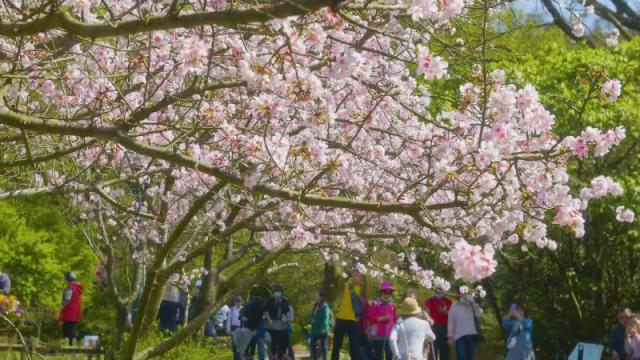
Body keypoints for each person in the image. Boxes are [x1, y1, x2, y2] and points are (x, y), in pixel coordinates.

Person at [331, 272, 367, 360]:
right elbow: (341, 282)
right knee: (336, 344)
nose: (356, 277)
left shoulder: (361, 290)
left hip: (354, 321)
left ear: (361, 279)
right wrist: (346, 273)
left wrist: (364, 276)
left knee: (354, 346)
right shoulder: (347, 287)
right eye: (355, 276)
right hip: (341, 319)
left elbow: (365, 285)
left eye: (358, 276)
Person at [447, 293, 482, 360]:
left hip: (471, 335)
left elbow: (479, 315)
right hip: (459, 336)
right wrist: (450, 336)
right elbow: (451, 322)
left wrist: (473, 303)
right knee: (461, 356)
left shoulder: (472, 306)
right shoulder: (454, 306)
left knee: (470, 357)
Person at [368, 280, 397, 360]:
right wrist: (383, 318)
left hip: (390, 336)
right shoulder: (375, 303)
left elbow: (394, 319)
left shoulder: (392, 305)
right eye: (385, 292)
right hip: (378, 336)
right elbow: (370, 318)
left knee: (389, 357)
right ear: (382, 292)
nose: (387, 294)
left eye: (389, 292)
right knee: (378, 357)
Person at [425, 285, 452, 360]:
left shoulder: (448, 301)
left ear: (443, 291)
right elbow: (427, 312)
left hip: (445, 328)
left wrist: (445, 312)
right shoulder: (430, 300)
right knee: (433, 351)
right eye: (437, 290)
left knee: (445, 352)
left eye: (440, 290)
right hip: (433, 328)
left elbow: (452, 316)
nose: (439, 292)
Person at [265, 284, 291, 359]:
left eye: (278, 293)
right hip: (271, 323)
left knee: (285, 334)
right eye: (275, 293)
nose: (277, 295)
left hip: (280, 323)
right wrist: (269, 320)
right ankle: (274, 355)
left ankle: (283, 354)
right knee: (273, 341)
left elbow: (286, 312)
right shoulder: (270, 300)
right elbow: (266, 311)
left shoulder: (285, 301)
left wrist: (285, 318)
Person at [59, 272, 83, 345]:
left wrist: (59, 310)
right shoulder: (77, 288)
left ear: (67, 279)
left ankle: (69, 349)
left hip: (69, 314)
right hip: (75, 314)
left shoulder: (70, 287)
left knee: (67, 331)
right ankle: (71, 348)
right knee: (71, 331)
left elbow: (66, 300)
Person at [310, 292, 331, 360]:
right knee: (312, 344)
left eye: (317, 296)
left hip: (322, 329)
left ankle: (325, 358)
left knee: (323, 344)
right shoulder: (315, 306)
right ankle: (315, 358)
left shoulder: (325, 306)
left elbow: (326, 318)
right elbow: (313, 315)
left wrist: (323, 328)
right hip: (315, 329)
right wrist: (312, 319)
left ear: (321, 297)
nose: (315, 298)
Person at [228, 295, 245, 359]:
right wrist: (228, 328)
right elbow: (229, 319)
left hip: (241, 328)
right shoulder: (231, 309)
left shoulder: (244, 309)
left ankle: (239, 358)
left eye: (239, 301)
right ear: (234, 302)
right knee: (234, 345)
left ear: (242, 301)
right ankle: (235, 357)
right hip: (234, 328)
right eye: (237, 301)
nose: (238, 302)